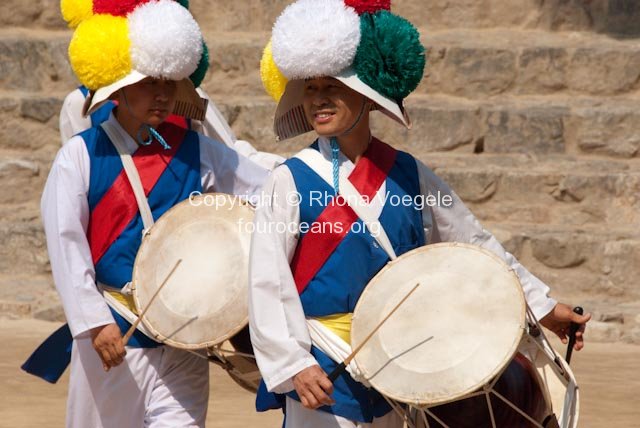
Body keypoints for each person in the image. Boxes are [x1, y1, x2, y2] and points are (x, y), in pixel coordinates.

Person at [247, 1, 591, 427]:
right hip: (324, 368)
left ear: (367, 92)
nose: (319, 99)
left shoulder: (409, 174)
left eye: (332, 86)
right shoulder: (288, 181)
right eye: (311, 88)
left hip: (402, 364)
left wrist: (542, 306)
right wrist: (292, 364)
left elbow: (474, 246)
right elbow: (266, 281)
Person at [23, 1, 268, 427]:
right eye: (147, 82)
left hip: (184, 339)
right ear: (118, 88)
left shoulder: (200, 151)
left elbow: (268, 191)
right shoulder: (79, 157)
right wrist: (95, 323)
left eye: (168, 82)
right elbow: (67, 246)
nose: (161, 93)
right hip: (114, 338)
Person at [57, 0, 282, 171]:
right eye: (150, 84)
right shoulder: (79, 105)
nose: (162, 95)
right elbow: (82, 181)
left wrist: (289, 171)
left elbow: (230, 154)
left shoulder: (186, 97)